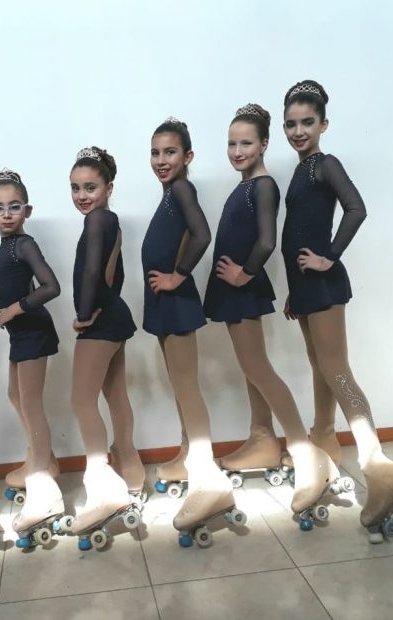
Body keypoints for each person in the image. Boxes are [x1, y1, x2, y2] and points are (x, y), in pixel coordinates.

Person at [281, 80, 393, 541]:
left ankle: (377, 465)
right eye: (291, 123)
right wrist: (294, 291)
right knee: (319, 366)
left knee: (336, 370)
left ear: (323, 124)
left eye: (307, 122)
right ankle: (324, 442)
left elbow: (356, 208)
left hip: (323, 284)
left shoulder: (325, 164)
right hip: (305, 288)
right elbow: (299, 228)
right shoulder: (301, 170)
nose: (298, 131)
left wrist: (329, 257)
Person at [203, 104, 347, 528]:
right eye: (232, 144)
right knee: (253, 370)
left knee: (258, 368)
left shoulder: (263, 186)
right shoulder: (247, 185)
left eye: (246, 143)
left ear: (264, 144)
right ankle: (262, 439)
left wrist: (244, 273)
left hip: (242, 290)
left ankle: (302, 449)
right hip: (233, 292)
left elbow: (266, 241)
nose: (237, 151)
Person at [142, 118, 243, 547]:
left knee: (187, 387)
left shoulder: (182, 189)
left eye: (170, 152)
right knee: (179, 386)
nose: (161, 160)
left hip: (177, 301)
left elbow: (202, 234)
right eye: (155, 152)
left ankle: (208, 477)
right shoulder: (170, 193)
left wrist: (178, 276)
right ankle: (188, 455)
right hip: (164, 302)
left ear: (188, 156)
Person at [68, 147, 145, 548]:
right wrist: (106, 304)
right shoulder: (109, 220)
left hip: (99, 320)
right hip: (114, 314)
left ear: (109, 187)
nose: (82, 195)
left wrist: (85, 314)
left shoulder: (98, 219)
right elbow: (117, 274)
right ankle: (132, 474)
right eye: (75, 188)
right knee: (114, 394)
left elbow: (92, 271)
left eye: (90, 187)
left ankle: (101, 484)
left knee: (81, 400)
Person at [0, 169, 65, 547]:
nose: (6, 214)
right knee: (15, 395)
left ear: (27, 210)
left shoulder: (24, 244)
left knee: (31, 404)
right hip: (20, 334)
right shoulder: (7, 246)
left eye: (14, 207)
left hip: (33, 332)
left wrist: (15, 309)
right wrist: (8, 314)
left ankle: (43, 485)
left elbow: (51, 286)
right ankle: (42, 459)